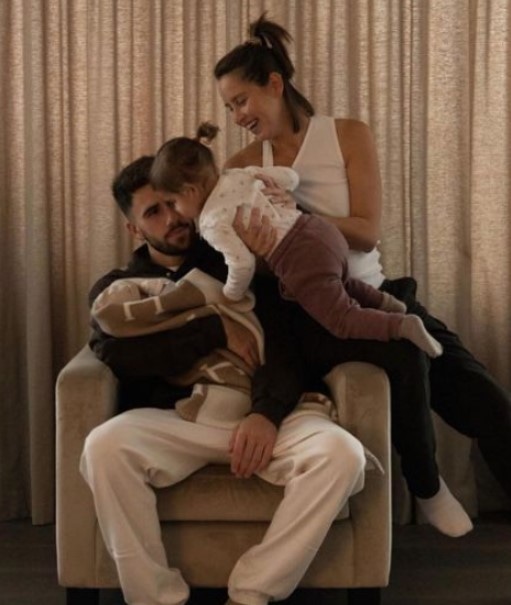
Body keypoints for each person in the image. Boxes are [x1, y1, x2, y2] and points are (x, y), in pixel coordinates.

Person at [213, 12, 511, 522]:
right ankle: (427, 489)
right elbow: (249, 258)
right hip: (310, 312)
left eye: (241, 100)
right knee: (406, 355)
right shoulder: (241, 167)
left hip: (377, 292)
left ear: (275, 85)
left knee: (485, 400)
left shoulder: (347, 135)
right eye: (229, 107)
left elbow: (367, 231)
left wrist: (297, 216)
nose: (237, 115)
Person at [80, 155, 373, 605]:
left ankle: (253, 590)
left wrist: (266, 413)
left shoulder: (238, 260)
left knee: (342, 454)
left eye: (172, 203)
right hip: (182, 419)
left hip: (265, 410)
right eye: (153, 212)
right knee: (103, 446)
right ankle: (156, 597)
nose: (172, 218)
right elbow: (118, 355)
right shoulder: (123, 288)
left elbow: (284, 343)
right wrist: (212, 330)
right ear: (133, 229)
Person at [148, 121, 443, 357]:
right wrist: (276, 188)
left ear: (189, 191)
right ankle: (389, 303)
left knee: (340, 318)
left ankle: (400, 325)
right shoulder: (239, 174)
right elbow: (290, 178)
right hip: (319, 229)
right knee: (340, 282)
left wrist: (231, 294)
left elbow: (242, 264)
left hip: (300, 257)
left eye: (173, 203)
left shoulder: (212, 222)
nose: (175, 213)